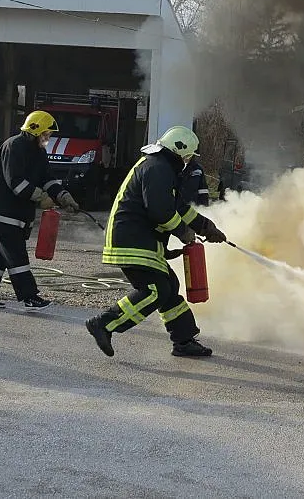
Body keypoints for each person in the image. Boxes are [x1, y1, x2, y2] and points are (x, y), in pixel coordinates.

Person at [86, 125, 227, 358]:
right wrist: (184, 232)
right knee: (154, 290)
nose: (189, 160)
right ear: (180, 152)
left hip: (143, 240)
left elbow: (179, 208)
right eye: (188, 155)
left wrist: (206, 227)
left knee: (169, 287)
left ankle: (183, 341)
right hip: (132, 241)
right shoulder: (158, 168)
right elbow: (160, 211)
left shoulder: (163, 168)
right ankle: (104, 323)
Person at [0, 110, 80, 311]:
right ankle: (30, 297)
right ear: (34, 130)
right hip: (2, 213)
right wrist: (42, 198)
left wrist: (63, 196)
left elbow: (47, 177)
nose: (48, 138)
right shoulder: (14, 147)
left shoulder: (37, 151)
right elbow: (16, 183)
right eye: (46, 134)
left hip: (15, 215)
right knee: (17, 257)